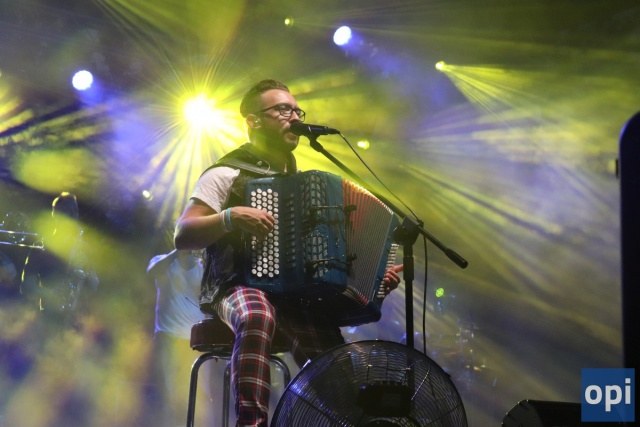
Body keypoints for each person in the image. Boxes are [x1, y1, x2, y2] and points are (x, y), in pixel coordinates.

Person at [174, 79, 402, 427]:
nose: (294, 117)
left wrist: (371, 282)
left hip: (295, 296)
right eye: (282, 110)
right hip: (235, 285)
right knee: (257, 315)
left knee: (334, 361)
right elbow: (183, 234)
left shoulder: (307, 186)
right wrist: (230, 217)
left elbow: (331, 257)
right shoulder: (227, 171)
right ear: (253, 120)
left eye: (297, 111)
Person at [146, 248, 212, 427]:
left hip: (195, 343)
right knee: (166, 393)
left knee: (198, 394)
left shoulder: (203, 268)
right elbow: (152, 271)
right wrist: (179, 250)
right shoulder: (163, 261)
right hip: (167, 337)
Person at [21, 192, 99, 326]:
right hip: (49, 319)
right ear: (55, 214)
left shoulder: (84, 248)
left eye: (75, 211)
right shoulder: (41, 247)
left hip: (76, 322)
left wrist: (89, 276)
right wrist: (51, 295)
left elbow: (94, 284)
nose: (73, 215)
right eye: (67, 211)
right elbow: (27, 284)